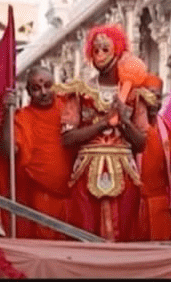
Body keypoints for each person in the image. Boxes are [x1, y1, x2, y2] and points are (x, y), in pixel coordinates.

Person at [58, 24, 149, 241]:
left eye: (105, 50)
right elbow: (67, 138)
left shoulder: (135, 95)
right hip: (86, 172)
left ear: (118, 52)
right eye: (95, 50)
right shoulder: (80, 91)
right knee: (85, 230)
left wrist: (125, 120)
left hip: (125, 173)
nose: (99, 56)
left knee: (125, 231)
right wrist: (102, 124)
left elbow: (142, 144)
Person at [0, 67, 75, 239]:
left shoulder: (67, 108)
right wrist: (7, 113)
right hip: (41, 194)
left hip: (74, 193)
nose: (44, 92)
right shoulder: (23, 117)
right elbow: (8, 150)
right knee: (46, 243)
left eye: (48, 85)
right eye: (36, 88)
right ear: (28, 92)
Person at [135, 74, 171, 241]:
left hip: (162, 204)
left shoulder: (165, 128)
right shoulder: (130, 126)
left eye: (158, 97)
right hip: (134, 204)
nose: (154, 102)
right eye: (149, 95)